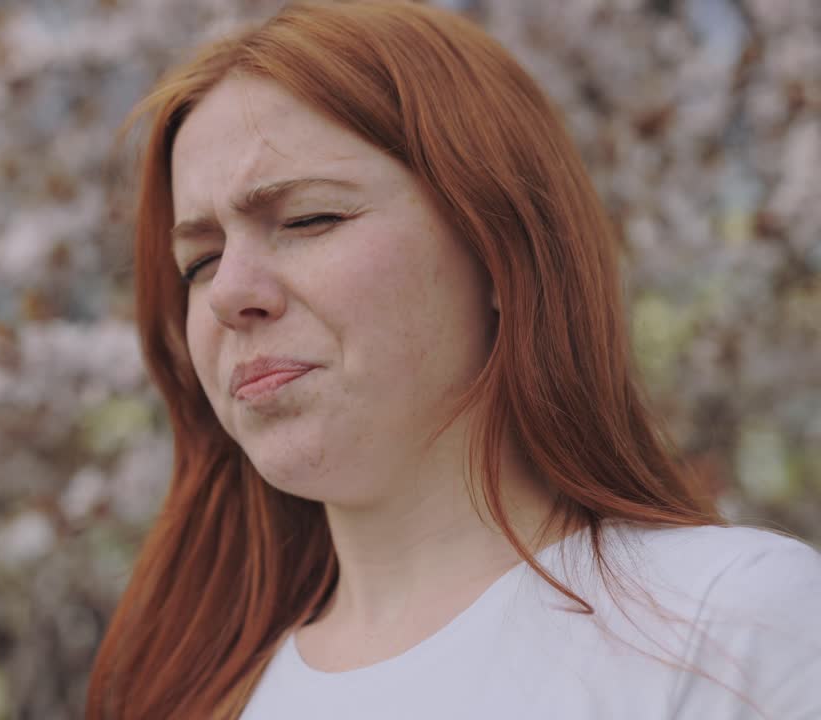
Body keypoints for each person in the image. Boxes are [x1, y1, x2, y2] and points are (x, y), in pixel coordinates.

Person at [86, 2, 821, 718]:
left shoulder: (731, 629)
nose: (228, 294)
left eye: (310, 218)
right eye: (200, 262)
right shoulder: (194, 694)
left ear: (499, 251)